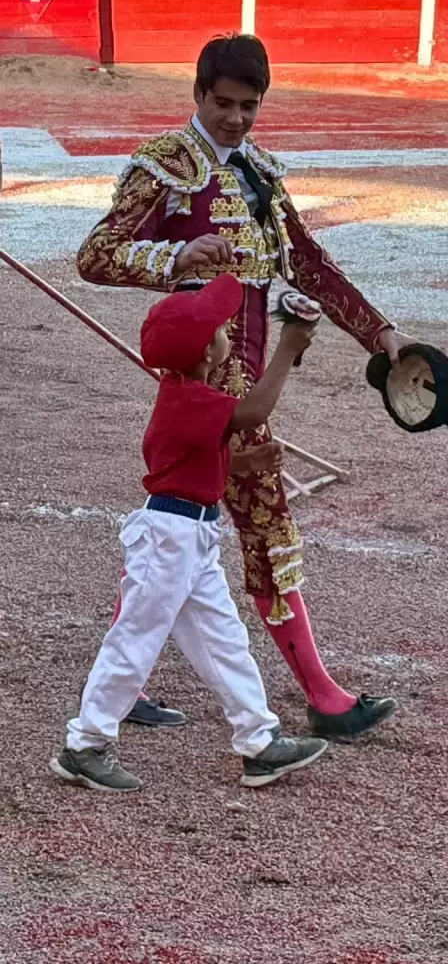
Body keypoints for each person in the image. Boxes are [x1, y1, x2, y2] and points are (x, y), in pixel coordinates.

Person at [76, 32, 409, 739]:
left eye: (247, 106)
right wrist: (174, 254)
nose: (234, 118)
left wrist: (382, 336)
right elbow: (95, 256)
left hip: (244, 371)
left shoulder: (259, 170)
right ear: (198, 94)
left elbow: (309, 265)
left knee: (176, 527)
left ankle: (121, 685)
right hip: (208, 380)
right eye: (222, 103)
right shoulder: (168, 166)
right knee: (264, 527)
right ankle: (322, 698)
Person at [49, 274, 329, 792]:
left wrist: (246, 458)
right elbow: (254, 412)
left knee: (224, 640)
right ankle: (84, 744)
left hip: (190, 537)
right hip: (169, 538)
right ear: (207, 352)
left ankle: (259, 741)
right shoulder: (188, 398)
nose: (228, 331)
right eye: (222, 329)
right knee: (134, 641)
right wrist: (288, 348)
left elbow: (198, 464)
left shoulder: (187, 393)